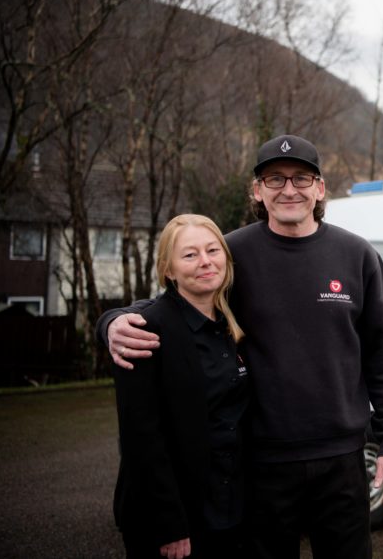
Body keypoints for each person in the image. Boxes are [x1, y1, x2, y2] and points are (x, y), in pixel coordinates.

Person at [100, 135, 383, 559]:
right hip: (260, 463)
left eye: (302, 178)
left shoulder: (356, 255)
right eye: (274, 179)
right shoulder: (231, 253)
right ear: (257, 191)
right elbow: (173, 299)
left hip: (341, 459)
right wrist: (112, 321)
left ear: (320, 189)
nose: (289, 189)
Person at [112, 214, 249, 559]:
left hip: (230, 507)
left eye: (212, 250)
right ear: (169, 270)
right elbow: (141, 439)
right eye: (189, 255)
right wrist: (169, 525)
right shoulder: (145, 331)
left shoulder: (230, 323)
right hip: (178, 521)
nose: (205, 261)